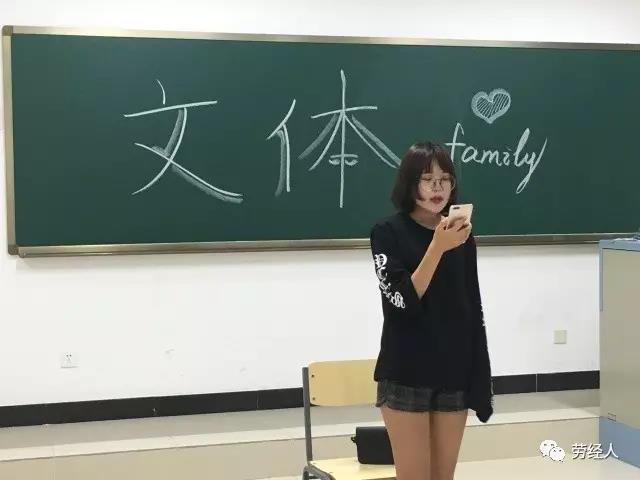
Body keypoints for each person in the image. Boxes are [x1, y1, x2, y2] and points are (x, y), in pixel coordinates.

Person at [369, 141, 494, 480]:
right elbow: (403, 301)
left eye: (445, 179)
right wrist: (437, 248)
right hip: (406, 371)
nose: (438, 188)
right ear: (410, 184)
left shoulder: (461, 237)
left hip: (453, 371)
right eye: (427, 179)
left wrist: (476, 372)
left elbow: (470, 306)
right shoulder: (387, 233)